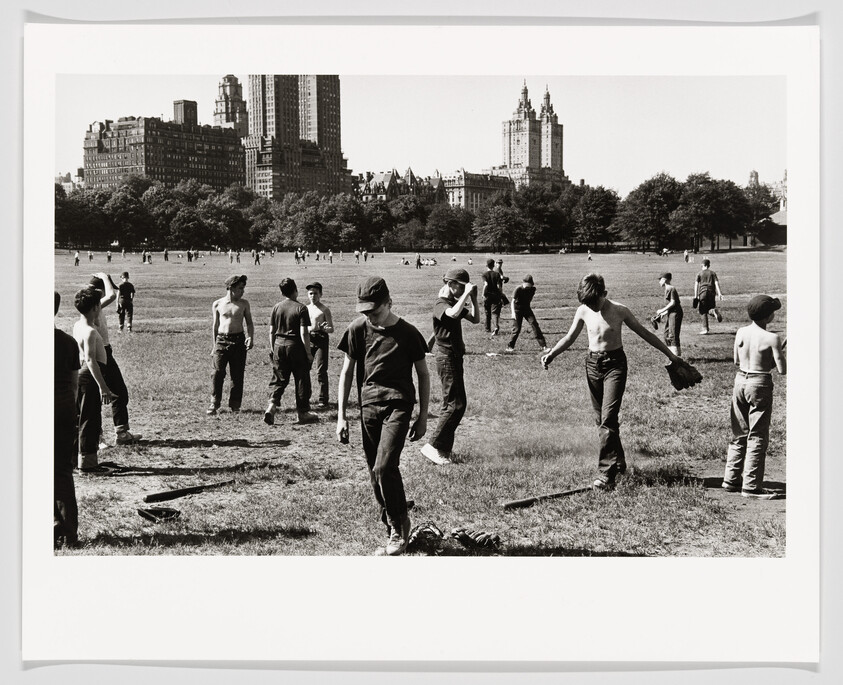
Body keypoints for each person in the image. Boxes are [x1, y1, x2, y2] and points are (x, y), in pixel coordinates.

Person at [541, 273, 686, 490]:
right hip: (592, 365)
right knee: (602, 419)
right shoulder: (583, 310)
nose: (590, 307)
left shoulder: (620, 310)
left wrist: (671, 356)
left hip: (615, 366)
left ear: (604, 294)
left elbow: (645, 334)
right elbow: (570, 337)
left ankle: (606, 473)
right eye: (586, 303)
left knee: (608, 419)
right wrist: (552, 354)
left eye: (593, 302)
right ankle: (618, 462)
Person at [336, 276, 430, 556]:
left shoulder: (409, 333)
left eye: (374, 311)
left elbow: (423, 374)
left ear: (389, 303)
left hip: (399, 405)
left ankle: (399, 528)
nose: (370, 316)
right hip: (369, 408)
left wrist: (423, 416)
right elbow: (346, 372)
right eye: (364, 311)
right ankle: (392, 526)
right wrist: (341, 416)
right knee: (375, 472)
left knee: (384, 467)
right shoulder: (356, 329)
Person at [722, 295, 787, 500]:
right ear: (768, 316)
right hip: (760, 384)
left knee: (738, 432)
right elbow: (782, 369)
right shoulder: (773, 338)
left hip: (740, 381)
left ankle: (731, 479)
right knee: (758, 435)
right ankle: (751, 486)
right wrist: (782, 349)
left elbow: (736, 360)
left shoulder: (741, 332)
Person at [421, 268, 480, 465]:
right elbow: (453, 314)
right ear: (450, 284)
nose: (463, 289)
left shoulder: (455, 301)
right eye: (460, 286)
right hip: (446, 357)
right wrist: (466, 295)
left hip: (454, 357)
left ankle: (443, 450)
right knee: (456, 404)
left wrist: (474, 298)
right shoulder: (441, 303)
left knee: (453, 404)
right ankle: (434, 446)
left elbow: (475, 319)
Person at [87, 274, 141, 444]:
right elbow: (111, 295)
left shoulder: (95, 305)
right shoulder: (92, 306)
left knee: (118, 392)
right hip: (98, 353)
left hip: (105, 352)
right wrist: (104, 276)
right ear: (99, 290)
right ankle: (99, 437)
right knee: (100, 396)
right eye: (104, 289)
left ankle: (121, 433)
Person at [72, 286, 115, 471]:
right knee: (90, 420)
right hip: (90, 377)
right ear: (95, 308)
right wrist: (103, 387)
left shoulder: (78, 325)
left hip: (82, 377)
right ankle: (88, 465)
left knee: (81, 418)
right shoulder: (89, 331)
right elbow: (91, 361)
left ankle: (75, 460)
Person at [264, 278, 317, 425]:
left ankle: (271, 406)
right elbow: (303, 333)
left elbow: (271, 331)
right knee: (301, 379)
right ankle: (303, 412)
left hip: (279, 345)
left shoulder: (277, 307)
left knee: (279, 378)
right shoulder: (301, 308)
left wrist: (273, 348)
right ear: (295, 290)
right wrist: (308, 353)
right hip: (296, 347)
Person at [208, 275, 254, 415]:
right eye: (240, 288)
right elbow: (215, 327)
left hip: (239, 341)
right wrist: (214, 345)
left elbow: (249, 323)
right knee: (217, 372)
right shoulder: (218, 304)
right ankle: (214, 403)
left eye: (243, 288)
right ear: (231, 288)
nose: (242, 291)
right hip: (221, 341)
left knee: (237, 374)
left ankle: (235, 404)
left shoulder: (244, 304)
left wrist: (250, 337)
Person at [55, 292, 80, 547]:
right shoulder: (69, 342)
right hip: (64, 409)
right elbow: (74, 387)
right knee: (62, 471)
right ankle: (67, 533)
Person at [305, 282, 334, 408]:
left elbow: (331, 328)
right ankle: (304, 396)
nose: (313, 296)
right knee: (305, 368)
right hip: (309, 338)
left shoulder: (324, 309)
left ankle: (323, 398)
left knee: (321, 370)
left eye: (316, 293)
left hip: (321, 338)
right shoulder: (305, 309)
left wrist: (325, 328)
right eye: (311, 293)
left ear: (320, 294)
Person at [505, 274, 549, 353]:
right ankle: (510, 346)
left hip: (526, 308)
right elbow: (512, 302)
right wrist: (513, 313)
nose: (526, 286)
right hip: (517, 309)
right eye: (525, 285)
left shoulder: (532, 289)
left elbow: (528, 299)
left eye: (528, 285)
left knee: (535, 325)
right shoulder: (518, 289)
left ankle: (544, 346)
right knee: (517, 329)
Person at [655, 272, 683, 356]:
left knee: (673, 334)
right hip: (672, 312)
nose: (659, 282)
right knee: (667, 333)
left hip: (675, 313)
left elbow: (673, 303)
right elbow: (671, 305)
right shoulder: (667, 288)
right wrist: (663, 313)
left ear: (664, 279)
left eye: (660, 280)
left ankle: (676, 357)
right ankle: (672, 355)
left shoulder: (671, 288)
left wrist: (661, 310)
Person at [694, 258, 724, 334]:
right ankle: (713, 311)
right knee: (710, 308)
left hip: (703, 293)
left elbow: (696, 285)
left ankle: (705, 329)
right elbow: (716, 283)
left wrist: (696, 295)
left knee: (702, 310)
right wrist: (719, 293)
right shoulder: (713, 273)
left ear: (702, 265)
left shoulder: (699, 273)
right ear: (709, 265)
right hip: (711, 293)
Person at [481, 258, 504, 337]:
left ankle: (487, 328)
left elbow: (486, 284)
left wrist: (483, 294)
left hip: (488, 295)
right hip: (496, 295)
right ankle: (496, 327)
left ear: (486, 265)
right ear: (494, 265)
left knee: (487, 312)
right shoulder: (496, 274)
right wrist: (500, 294)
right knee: (495, 313)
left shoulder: (484, 274)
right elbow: (498, 286)